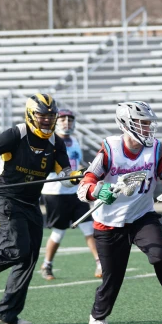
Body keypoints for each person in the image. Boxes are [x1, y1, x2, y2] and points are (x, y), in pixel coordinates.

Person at [77, 101, 162, 324]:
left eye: (149, 123)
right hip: (109, 222)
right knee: (112, 277)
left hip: (141, 216)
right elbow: (83, 186)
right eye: (143, 123)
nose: (148, 128)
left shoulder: (156, 149)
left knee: (161, 254)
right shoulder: (109, 148)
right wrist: (97, 191)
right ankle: (97, 319)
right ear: (126, 124)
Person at [0, 93, 83, 324]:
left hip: (31, 203)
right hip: (5, 198)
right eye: (41, 116)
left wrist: (77, 176)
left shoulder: (56, 142)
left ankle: (6, 314)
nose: (46, 121)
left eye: (50, 117)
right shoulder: (16, 134)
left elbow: (63, 175)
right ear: (31, 115)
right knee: (14, 250)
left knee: (29, 258)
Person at [40, 109, 102, 280]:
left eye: (70, 120)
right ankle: (47, 264)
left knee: (89, 227)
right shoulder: (50, 141)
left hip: (75, 191)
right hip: (56, 192)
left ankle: (100, 263)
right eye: (63, 119)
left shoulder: (75, 140)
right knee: (59, 231)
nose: (67, 123)